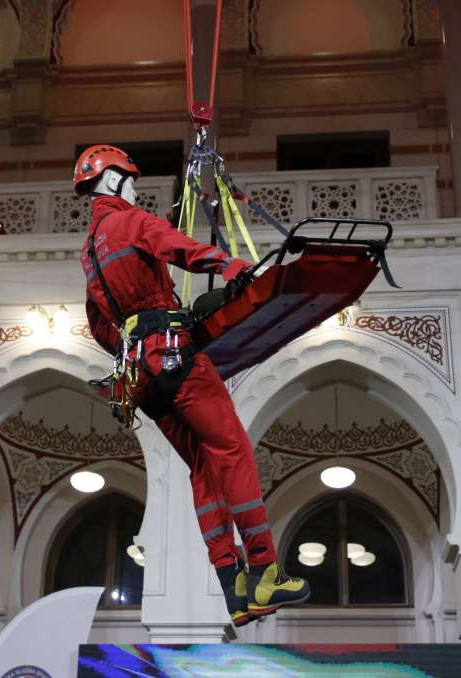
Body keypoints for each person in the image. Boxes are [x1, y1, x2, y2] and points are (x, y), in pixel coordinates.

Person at [74, 144, 310, 627]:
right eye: (132, 180)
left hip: (142, 376)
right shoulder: (131, 220)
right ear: (115, 181)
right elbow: (180, 248)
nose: (136, 188)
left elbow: (99, 326)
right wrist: (235, 268)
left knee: (203, 466)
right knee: (232, 450)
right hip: (174, 356)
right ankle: (264, 569)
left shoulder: (90, 250)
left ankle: (233, 585)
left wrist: (134, 337)